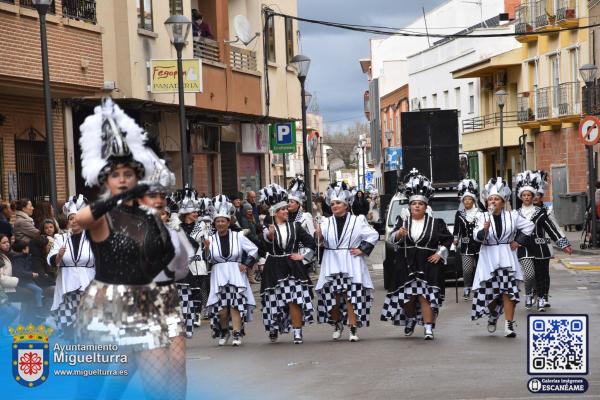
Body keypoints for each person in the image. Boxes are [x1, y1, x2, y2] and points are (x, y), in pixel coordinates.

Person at [72, 97, 179, 399]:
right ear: (104, 178)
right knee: (92, 388)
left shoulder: (150, 217)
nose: (122, 179)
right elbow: (80, 219)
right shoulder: (101, 213)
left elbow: (167, 258)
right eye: (115, 174)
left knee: (158, 383)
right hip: (104, 304)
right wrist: (115, 197)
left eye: (128, 174)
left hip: (143, 303)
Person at [381, 170, 453, 340]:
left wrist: (440, 254)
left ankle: (428, 328)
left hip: (428, 264)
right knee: (408, 298)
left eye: (421, 204)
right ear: (409, 206)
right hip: (405, 263)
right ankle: (411, 319)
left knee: (425, 297)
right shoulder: (402, 221)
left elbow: (449, 239)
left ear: (426, 206)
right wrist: (399, 234)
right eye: (414, 204)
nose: (417, 206)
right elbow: (391, 239)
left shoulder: (437, 223)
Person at [315, 181, 379, 342]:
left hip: (351, 261)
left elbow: (373, 235)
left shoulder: (358, 221)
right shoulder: (325, 222)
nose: (334, 206)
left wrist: (362, 249)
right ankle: (337, 324)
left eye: (338, 203)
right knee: (334, 296)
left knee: (352, 296)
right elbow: (319, 242)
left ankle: (353, 327)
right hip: (331, 262)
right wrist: (318, 236)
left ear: (346, 205)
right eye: (332, 203)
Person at [471, 177, 534, 338]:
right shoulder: (481, 217)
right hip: (488, 257)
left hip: (506, 257)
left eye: (496, 199)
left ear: (503, 202)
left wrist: (518, 241)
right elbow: (476, 237)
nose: (493, 201)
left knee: (508, 292)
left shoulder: (512, 216)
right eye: (490, 199)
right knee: (489, 294)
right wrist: (484, 230)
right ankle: (493, 314)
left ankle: (509, 324)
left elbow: (528, 226)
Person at [258, 184, 316, 344]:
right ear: (275, 212)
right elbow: (263, 248)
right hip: (274, 266)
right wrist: (269, 237)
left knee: (295, 299)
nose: (286, 211)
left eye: (286, 208)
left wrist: (303, 256)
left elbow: (311, 242)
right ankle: (273, 328)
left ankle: (297, 331)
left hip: (292, 265)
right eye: (282, 209)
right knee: (274, 300)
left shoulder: (295, 226)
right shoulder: (267, 229)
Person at [516, 171, 572, 311]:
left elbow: (552, 228)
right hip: (524, 248)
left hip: (540, 247)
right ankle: (528, 294)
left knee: (542, 274)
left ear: (533, 196)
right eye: (524, 195)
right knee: (529, 274)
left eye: (529, 195)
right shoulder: (515, 213)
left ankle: (542, 298)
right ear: (521, 197)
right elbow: (509, 232)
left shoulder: (541, 212)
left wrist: (563, 244)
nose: (527, 197)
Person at [205, 197, 258, 346]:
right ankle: (224, 330)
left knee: (235, 305)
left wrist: (246, 264)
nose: (220, 223)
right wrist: (207, 249)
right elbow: (208, 259)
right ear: (214, 223)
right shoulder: (210, 238)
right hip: (219, 275)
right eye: (217, 221)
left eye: (223, 221)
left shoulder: (238, 236)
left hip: (236, 274)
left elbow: (253, 250)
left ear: (228, 222)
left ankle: (236, 333)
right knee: (221, 309)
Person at [47, 195, 95, 334]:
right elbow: (50, 259)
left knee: (86, 318)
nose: (74, 221)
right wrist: (59, 256)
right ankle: (69, 343)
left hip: (88, 283)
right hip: (67, 283)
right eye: (71, 218)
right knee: (68, 319)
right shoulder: (60, 238)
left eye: (77, 218)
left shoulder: (93, 238)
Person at [453, 179, 483, 300]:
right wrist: (455, 239)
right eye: (465, 199)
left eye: (469, 199)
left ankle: (479, 287)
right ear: (462, 201)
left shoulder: (480, 212)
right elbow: (457, 230)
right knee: (467, 269)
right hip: (466, 245)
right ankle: (467, 288)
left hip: (479, 245)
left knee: (480, 267)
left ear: (473, 200)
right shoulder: (459, 214)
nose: (467, 201)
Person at [287, 178, 316, 271]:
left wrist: (306, 255)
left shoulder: (305, 216)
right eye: (288, 201)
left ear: (298, 204)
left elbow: (312, 236)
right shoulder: (284, 216)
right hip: (288, 254)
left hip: (301, 254)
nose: (289, 204)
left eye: (292, 202)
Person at [10, 240, 45, 318]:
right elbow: (19, 272)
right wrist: (31, 274)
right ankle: (39, 309)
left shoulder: (25, 257)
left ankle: (38, 306)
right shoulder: (18, 259)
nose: (29, 249)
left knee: (39, 290)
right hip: (22, 281)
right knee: (38, 290)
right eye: (27, 247)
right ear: (23, 250)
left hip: (27, 280)